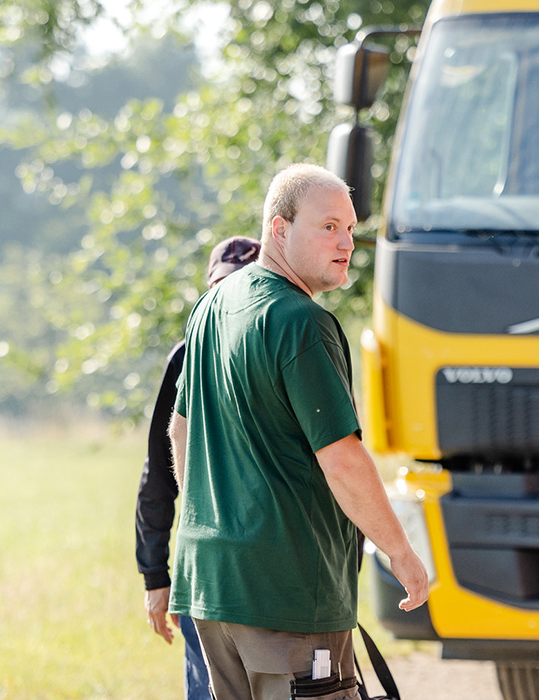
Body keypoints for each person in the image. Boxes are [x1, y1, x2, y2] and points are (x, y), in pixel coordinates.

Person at [169, 164, 432, 700]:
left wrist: (210, 522)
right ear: (278, 228)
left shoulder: (212, 307)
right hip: (286, 594)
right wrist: (400, 552)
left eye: (351, 229)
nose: (345, 243)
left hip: (211, 585)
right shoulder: (300, 322)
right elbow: (341, 458)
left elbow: (180, 431)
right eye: (328, 226)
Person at [137, 235, 262, 700]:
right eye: (218, 287)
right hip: (202, 573)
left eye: (238, 285)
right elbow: (158, 473)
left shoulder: (283, 346)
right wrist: (155, 576)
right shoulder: (185, 357)